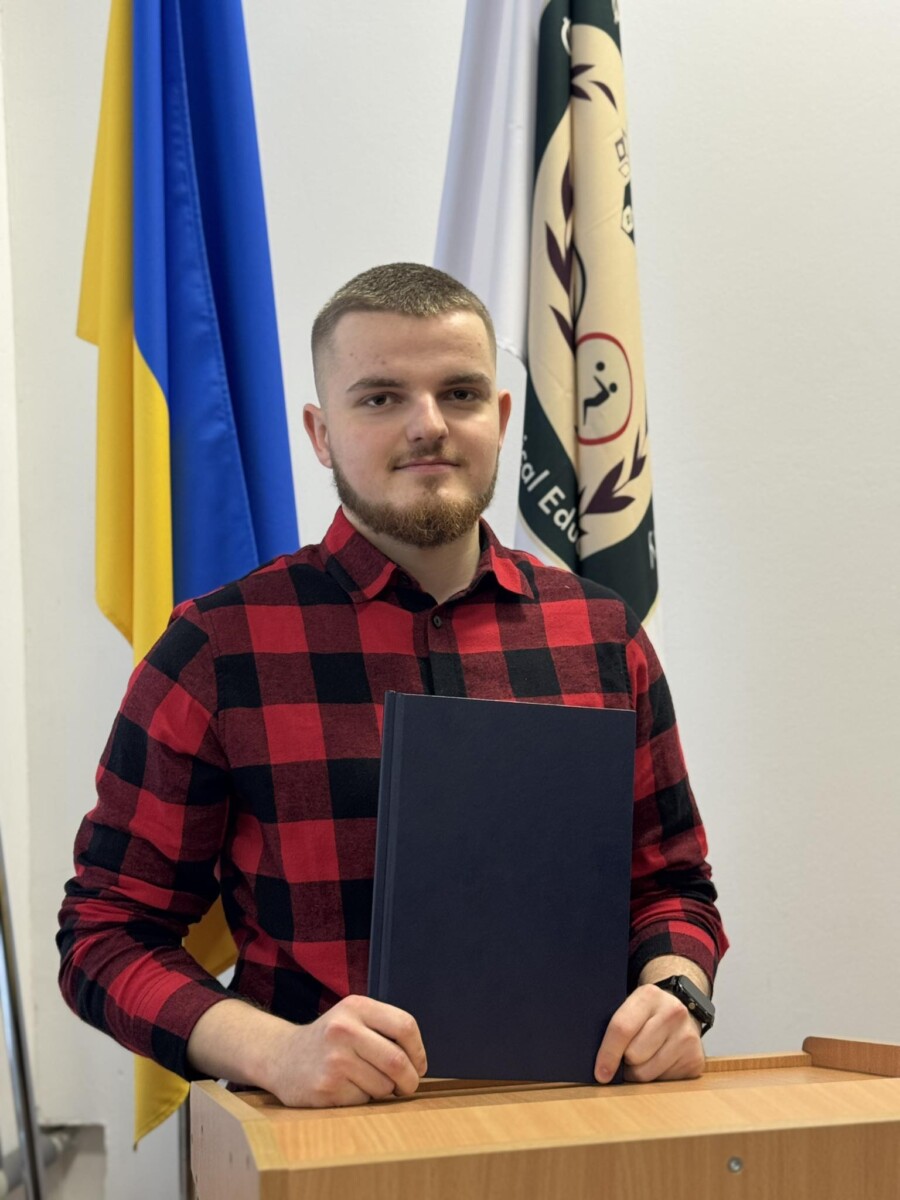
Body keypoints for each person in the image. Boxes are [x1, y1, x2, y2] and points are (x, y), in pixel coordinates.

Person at [58, 263, 727, 1108]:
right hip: (323, 1142)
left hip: (574, 1123)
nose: (429, 426)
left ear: (502, 418)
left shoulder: (602, 633)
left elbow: (671, 886)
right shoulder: (218, 649)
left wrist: (675, 991)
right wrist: (278, 1050)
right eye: (380, 397)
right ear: (321, 433)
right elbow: (105, 932)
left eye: (460, 394)